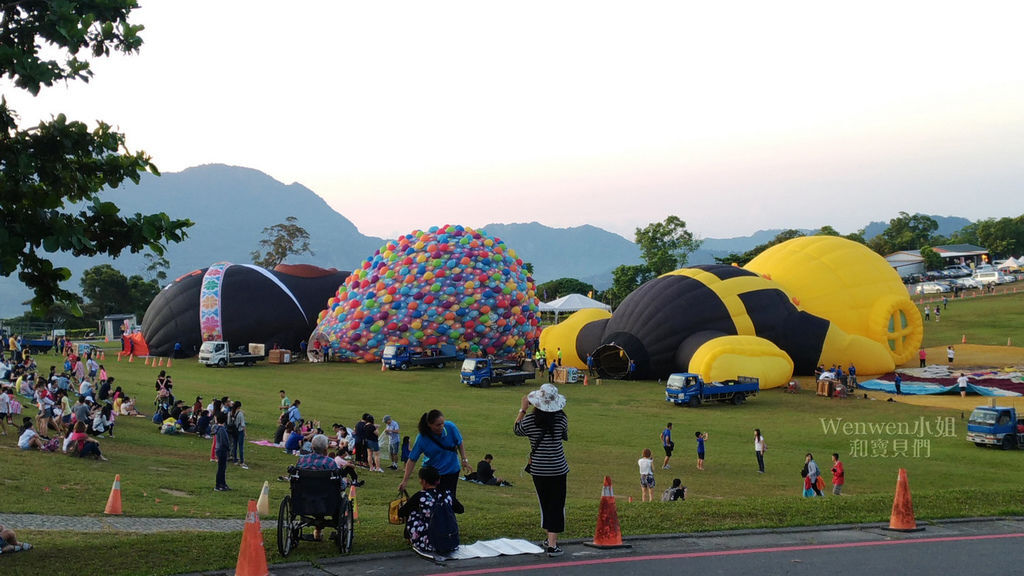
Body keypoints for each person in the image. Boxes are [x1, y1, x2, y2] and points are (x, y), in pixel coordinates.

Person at [514, 383, 568, 557]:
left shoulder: (530, 421)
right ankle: (552, 545)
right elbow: (564, 435)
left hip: (538, 469)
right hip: (558, 468)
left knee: (545, 503)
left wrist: (522, 410)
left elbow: (517, 430)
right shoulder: (561, 419)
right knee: (557, 504)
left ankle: (549, 540)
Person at [399, 409, 472, 499]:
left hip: (451, 471)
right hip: (432, 475)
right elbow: (412, 459)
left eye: (442, 423)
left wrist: (464, 459)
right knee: (431, 501)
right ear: (429, 425)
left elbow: (459, 442)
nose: (441, 427)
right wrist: (405, 481)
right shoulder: (422, 438)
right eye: (438, 425)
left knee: (449, 501)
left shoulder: (450, 427)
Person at [398, 466, 464, 559]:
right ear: (438, 481)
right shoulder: (447, 494)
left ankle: (412, 538)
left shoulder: (420, 496)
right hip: (451, 541)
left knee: (413, 513)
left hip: (430, 543)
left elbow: (401, 513)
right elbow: (460, 510)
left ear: (423, 481)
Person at [296, 434, 340, 542]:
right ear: (326, 449)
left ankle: (317, 532)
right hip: (326, 501)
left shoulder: (302, 461)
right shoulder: (330, 463)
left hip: (303, 498)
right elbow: (339, 484)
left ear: (312, 447)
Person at [214, 411, 231, 491]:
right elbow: (224, 441)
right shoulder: (222, 429)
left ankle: (223, 484)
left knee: (222, 468)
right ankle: (218, 485)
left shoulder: (218, 428)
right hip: (222, 450)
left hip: (219, 449)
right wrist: (228, 448)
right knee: (221, 469)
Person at [229, 400, 248, 469]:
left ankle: (235, 460)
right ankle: (242, 461)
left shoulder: (231, 413)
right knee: (241, 446)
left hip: (233, 430)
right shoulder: (240, 414)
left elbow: (229, 422)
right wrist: (245, 432)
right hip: (239, 431)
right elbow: (243, 424)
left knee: (234, 445)